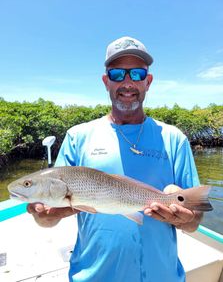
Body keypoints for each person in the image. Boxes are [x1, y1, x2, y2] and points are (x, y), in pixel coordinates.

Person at [27, 36, 203, 282]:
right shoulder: (78, 137)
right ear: (106, 81)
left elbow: (195, 219)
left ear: (148, 81)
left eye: (138, 74)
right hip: (93, 276)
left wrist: (186, 219)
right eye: (118, 74)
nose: (128, 82)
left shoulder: (174, 139)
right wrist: (45, 216)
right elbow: (46, 217)